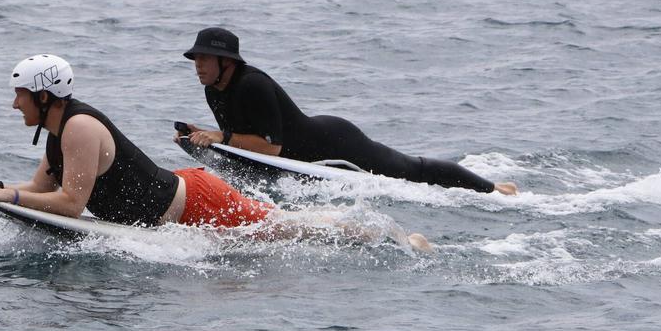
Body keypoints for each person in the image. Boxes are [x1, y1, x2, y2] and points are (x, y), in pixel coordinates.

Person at [0, 53, 431, 249]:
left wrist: (8, 200)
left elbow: (70, 204)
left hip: (198, 204)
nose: (13, 103)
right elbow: (41, 187)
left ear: (43, 95)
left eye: (19, 94)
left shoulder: (79, 127)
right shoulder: (62, 133)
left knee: (290, 232)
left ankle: (388, 236)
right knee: (282, 228)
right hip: (182, 199)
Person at [177, 26, 518, 195]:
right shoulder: (215, 90)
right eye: (197, 58)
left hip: (335, 143)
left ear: (227, 62)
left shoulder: (254, 84)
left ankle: (493, 189)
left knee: (410, 170)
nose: (198, 64)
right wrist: (200, 135)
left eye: (205, 58)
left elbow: (271, 147)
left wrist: (221, 137)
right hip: (303, 149)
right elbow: (242, 134)